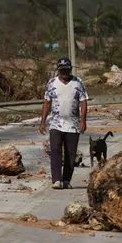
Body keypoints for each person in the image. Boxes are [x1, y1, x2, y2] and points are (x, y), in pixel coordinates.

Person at [39, 57, 88, 189]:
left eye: (67, 70)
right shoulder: (52, 83)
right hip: (55, 123)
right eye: (62, 70)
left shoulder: (78, 83)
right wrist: (43, 121)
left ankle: (66, 180)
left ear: (70, 69)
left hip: (73, 124)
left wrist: (83, 120)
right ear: (58, 70)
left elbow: (83, 102)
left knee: (70, 153)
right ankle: (56, 180)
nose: (64, 73)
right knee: (55, 151)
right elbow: (47, 102)